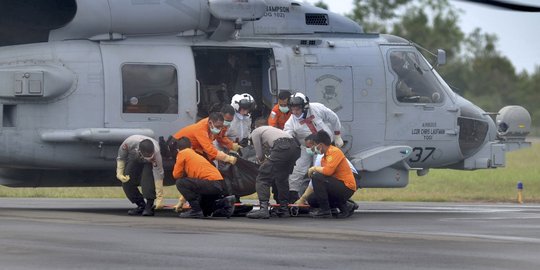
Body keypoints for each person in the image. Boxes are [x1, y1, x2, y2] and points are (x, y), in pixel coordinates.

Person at [283, 92, 343, 202]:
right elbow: (287, 133)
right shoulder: (291, 122)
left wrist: (337, 135)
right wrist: (289, 139)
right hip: (306, 148)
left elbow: (333, 118)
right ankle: (293, 195)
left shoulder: (317, 108)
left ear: (305, 107)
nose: (295, 112)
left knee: (319, 172)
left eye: (297, 109)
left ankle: (320, 198)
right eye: (293, 109)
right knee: (297, 170)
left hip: (324, 147)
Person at [245, 119, 301, 219]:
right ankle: (284, 209)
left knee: (263, 177)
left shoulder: (255, 132)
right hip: (295, 147)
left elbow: (260, 155)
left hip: (282, 146)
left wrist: (262, 163)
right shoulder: (272, 130)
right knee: (281, 178)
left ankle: (263, 209)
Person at [173, 137, 235, 218]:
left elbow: (176, 175)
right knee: (205, 210)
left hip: (210, 183)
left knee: (180, 182)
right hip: (218, 183)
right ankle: (225, 202)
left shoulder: (183, 153)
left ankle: (195, 210)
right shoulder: (194, 154)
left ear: (178, 149)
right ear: (191, 146)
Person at [307, 131, 356, 218]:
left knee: (317, 177)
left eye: (315, 145)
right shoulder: (324, 158)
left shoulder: (334, 152)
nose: (314, 148)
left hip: (346, 187)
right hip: (337, 186)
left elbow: (327, 172)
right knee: (312, 199)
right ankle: (345, 207)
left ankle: (325, 211)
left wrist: (313, 168)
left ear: (321, 145)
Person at [116, 135, 164, 216]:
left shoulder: (156, 153)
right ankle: (141, 205)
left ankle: (149, 206)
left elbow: (159, 174)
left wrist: (160, 197)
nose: (149, 157)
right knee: (127, 181)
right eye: (147, 156)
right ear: (140, 151)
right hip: (134, 158)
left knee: (147, 181)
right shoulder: (128, 144)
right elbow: (121, 157)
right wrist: (119, 173)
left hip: (149, 164)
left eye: (150, 155)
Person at [172, 112, 238, 165]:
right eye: (218, 127)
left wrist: (231, 145)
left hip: (192, 147)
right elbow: (209, 149)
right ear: (210, 123)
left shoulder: (212, 125)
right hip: (177, 146)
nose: (220, 129)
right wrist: (227, 158)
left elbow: (217, 139)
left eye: (221, 127)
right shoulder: (201, 129)